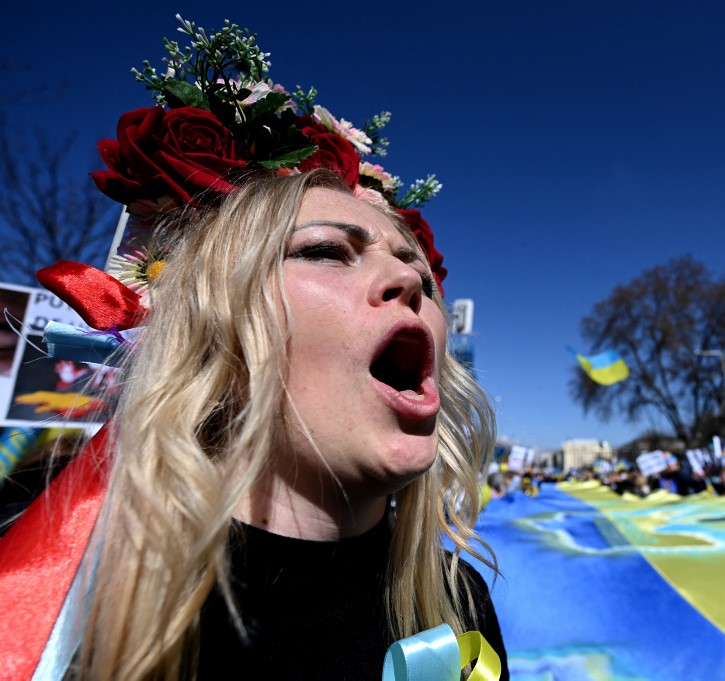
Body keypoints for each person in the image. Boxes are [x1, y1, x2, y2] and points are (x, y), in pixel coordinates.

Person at [0, 18, 507, 680]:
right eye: (328, 250)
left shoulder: (458, 605)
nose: (412, 279)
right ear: (217, 328)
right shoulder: (60, 595)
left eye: (419, 269)